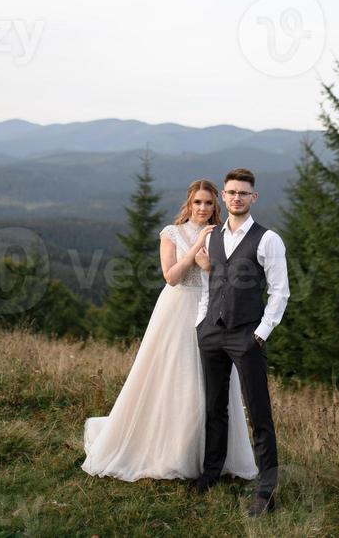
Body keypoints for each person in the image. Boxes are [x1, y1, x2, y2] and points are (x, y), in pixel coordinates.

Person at [82, 179, 258, 481]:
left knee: (211, 385)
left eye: (208, 203)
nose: (203, 208)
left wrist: (210, 266)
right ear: (188, 204)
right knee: (176, 380)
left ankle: (212, 457)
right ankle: (169, 452)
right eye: (197, 202)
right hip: (176, 312)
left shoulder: (222, 234)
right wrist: (193, 252)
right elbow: (171, 277)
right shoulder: (172, 233)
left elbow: (227, 276)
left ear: (216, 205)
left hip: (210, 310)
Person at [194, 168, 289, 518]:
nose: (237, 198)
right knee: (215, 407)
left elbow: (280, 292)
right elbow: (210, 283)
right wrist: (202, 324)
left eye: (243, 193)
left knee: (259, 413)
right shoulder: (211, 237)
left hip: (248, 335)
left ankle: (266, 490)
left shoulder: (268, 240)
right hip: (212, 333)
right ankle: (211, 471)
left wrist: (260, 334)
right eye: (231, 192)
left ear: (254, 198)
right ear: (223, 195)